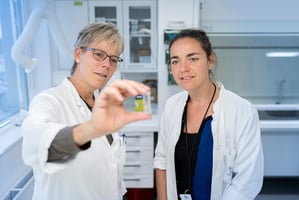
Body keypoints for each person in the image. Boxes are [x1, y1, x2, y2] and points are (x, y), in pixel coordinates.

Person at [21, 22, 151, 200]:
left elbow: (111, 171)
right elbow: (38, 144)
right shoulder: (50, 101)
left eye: (113, 59)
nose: (107, 65)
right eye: (99, 55)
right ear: (78, 54)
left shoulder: (102, 106)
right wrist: (91, 129)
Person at [153, 29, 264, 200]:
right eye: (175, 61)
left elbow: (248, 180)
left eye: (193, 58)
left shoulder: (242, 111)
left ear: (210, 60)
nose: (183, 68)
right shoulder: (172, 106)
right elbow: (161, 160)